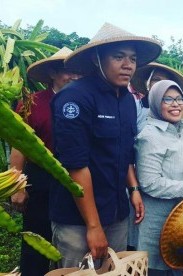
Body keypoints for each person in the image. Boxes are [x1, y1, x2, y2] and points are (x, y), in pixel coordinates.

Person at [50, 23, 162, 267]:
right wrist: (93, 226)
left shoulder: (127, 100)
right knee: (77, 272)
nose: (128, 65)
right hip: (78, 220)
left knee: (113, 271)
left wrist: (133, 189)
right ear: (97, 59)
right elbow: (75, 166)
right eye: (118, 57)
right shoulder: (75, 98)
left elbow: (124, 151)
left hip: (116, 212)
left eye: (132, 58)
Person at [9, 47, 79, 275]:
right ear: (52, 73)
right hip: (41, 179)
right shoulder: (34, 103)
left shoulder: (85, 101)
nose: (74, 76)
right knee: (37, 242)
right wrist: (17, 184)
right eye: (68, 71)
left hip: (76, 177)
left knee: (73, 243)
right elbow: (19, 143)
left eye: (78, 71)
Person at [135, 80, 183, 275]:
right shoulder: (149, 136)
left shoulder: (182, 132)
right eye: (167, 99)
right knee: (158, 269)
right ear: (155, 103)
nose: (176, 104)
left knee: (180, 266)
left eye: (179, 99)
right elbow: (149, 183)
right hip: (158, 221)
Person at [130, 62, 183, 134]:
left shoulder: (178, 107)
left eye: (166, 80)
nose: (161, 83)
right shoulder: (135, 107)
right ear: (147, 82)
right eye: (156, 79)